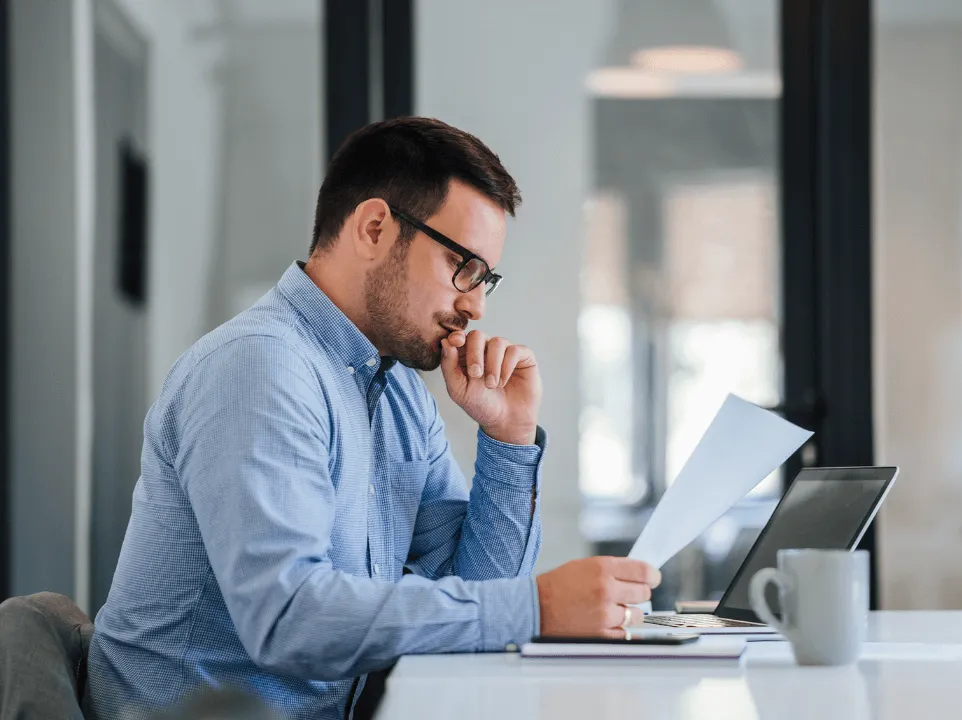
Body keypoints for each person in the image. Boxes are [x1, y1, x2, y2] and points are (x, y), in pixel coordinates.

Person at [85, 117, 661, 719]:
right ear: (375, 227)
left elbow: (476, 591)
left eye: (485, 278)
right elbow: (287, 621)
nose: (476, 304)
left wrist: (508, 437)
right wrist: (536, 609)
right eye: (462, 266)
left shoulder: (400, 395)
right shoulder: (261, 367)